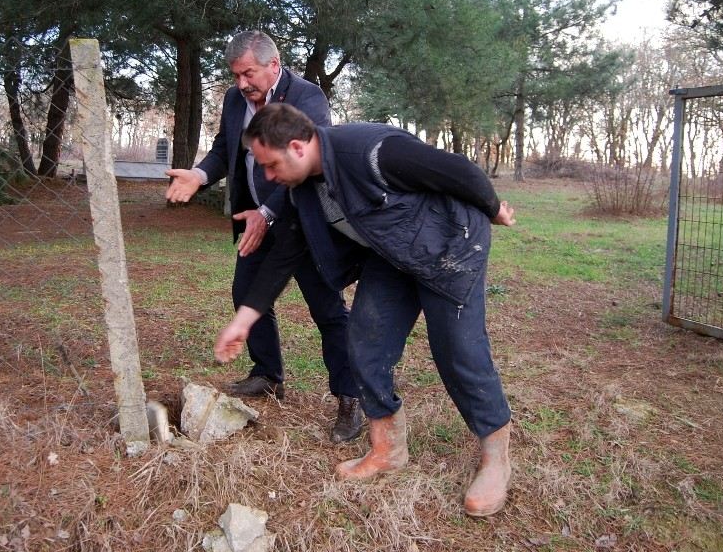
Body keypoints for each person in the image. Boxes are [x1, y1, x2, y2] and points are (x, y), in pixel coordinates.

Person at [213, 103, 516, 517]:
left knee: (458, 351)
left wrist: (494, 208)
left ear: (298, 147)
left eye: (270, 165)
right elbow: (284, 254)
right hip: (393, 256)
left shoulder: (371, 151)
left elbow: (461, 172)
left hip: (450, 248)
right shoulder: (302, 188)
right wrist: (244, 320)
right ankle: (387, 448)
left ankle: (495, 456)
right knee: (364, 342)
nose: (267, 177)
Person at [165, 31, 363, 443]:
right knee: (247, 294)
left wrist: (268, 211)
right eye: (236, 75)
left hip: (302, 225)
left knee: (327, 310)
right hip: (253, 224)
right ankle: (268, 374)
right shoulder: (235, 100)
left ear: (274, 65)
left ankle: (349, 397)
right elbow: (225, 150)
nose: (241, 84)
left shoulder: (307, 97)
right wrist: (199, 175)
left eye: (248, 74)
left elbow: (304, 166)